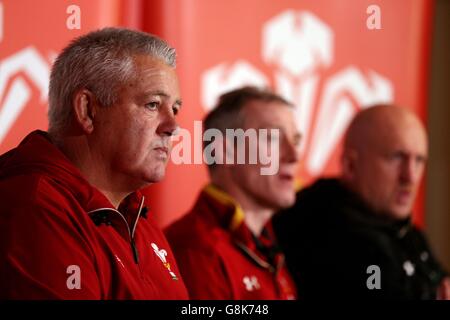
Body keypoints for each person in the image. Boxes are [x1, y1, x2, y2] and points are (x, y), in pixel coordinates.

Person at [0, 28, 188, 299]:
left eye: (175, 109)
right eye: (152, 104)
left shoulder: (135, 215)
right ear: (87, 110)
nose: (173, 126)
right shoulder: (33, 206)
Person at [273, 104, 450, 300]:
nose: (410, 177)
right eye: (397, 157)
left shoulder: (405, 230)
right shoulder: (318, 229)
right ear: (350, 165)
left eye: (419, 160)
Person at [165, 86, 301, 299]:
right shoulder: (196, 250)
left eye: (296, 141)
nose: (294, 155)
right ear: (225, 151)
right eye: (272, 138)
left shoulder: (268, 240)